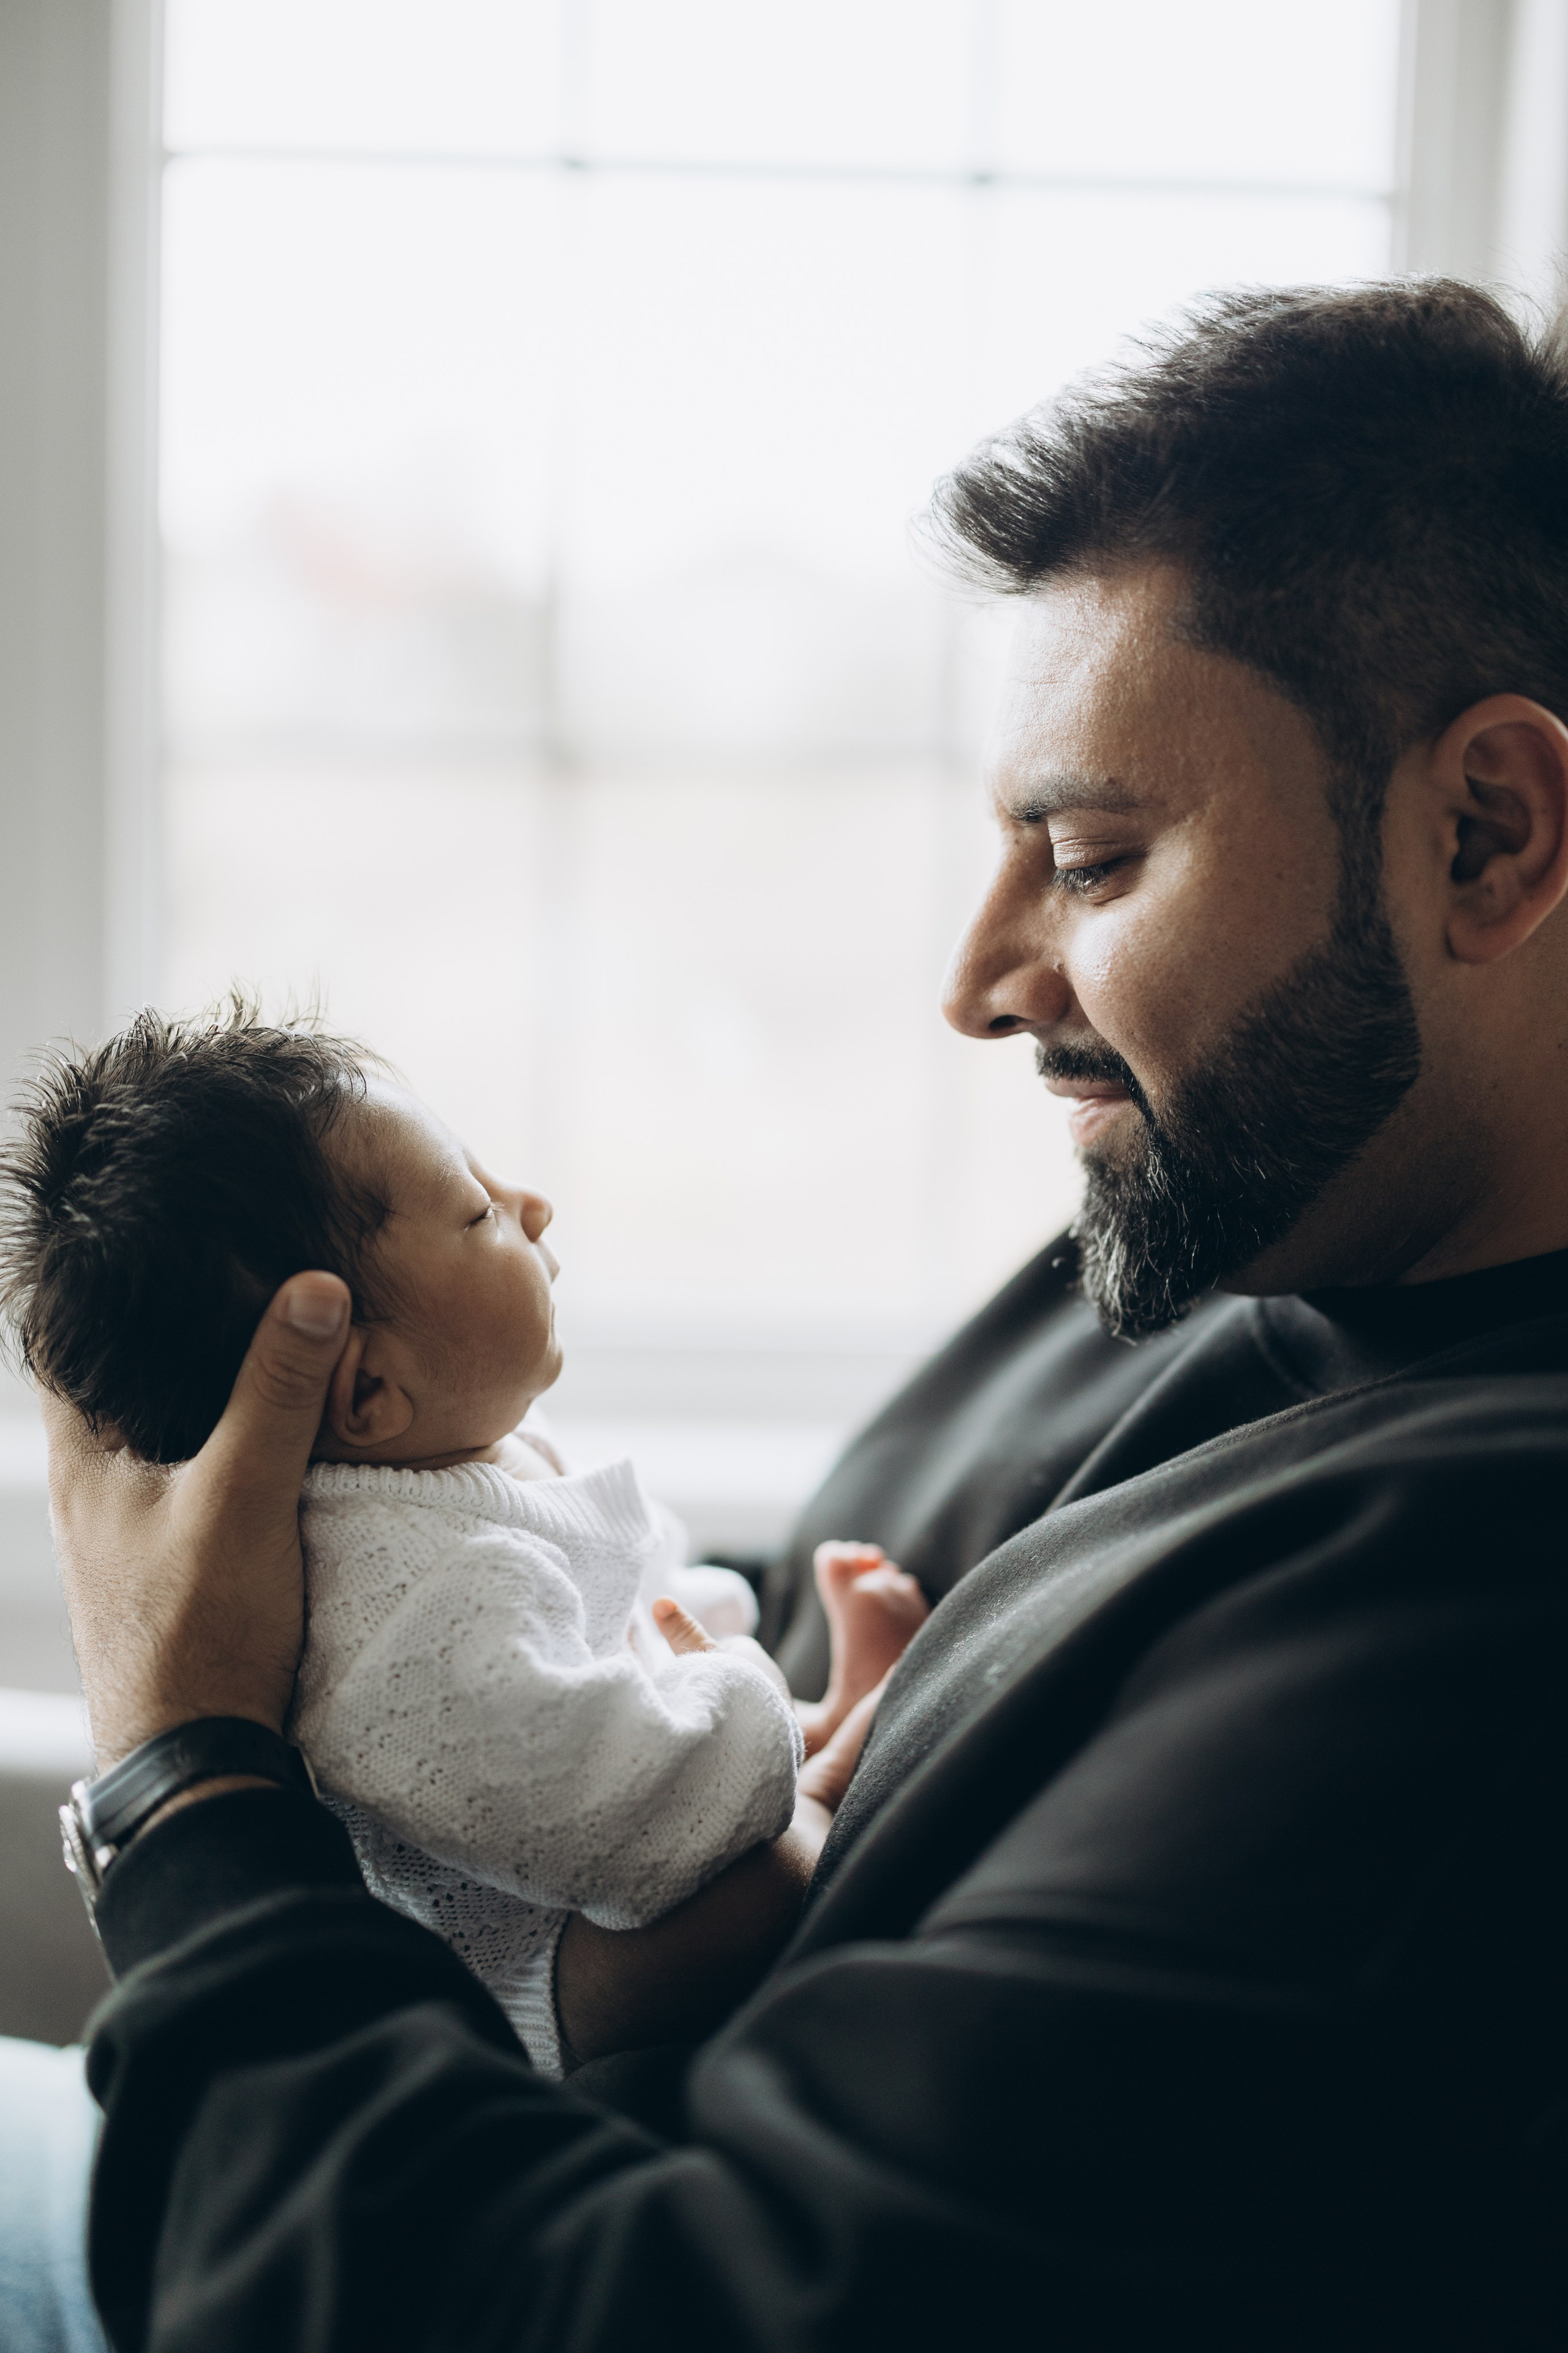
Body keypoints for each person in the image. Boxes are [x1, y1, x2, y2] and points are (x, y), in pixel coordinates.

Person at [15, 277, 1568, 2348]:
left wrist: (187, 1780)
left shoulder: (1469, 1640)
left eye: (1095, 860)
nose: (979, 975)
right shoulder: (1241, 1214)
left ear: (1489, 833)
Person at [0, 1008, 930, 2072]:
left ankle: (804, 1730)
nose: (534, 1205)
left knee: (710, 1745)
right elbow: (605, 1807)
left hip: (589, 1788)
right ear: (368, 1386)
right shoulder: (403, 1612)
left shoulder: (451, 1454)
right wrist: (738, 1683)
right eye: (480, 1210)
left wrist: (694, 1618)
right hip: (522, 1980)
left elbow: (602, 1570)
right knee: (762, 1887)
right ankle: (829, 1755)